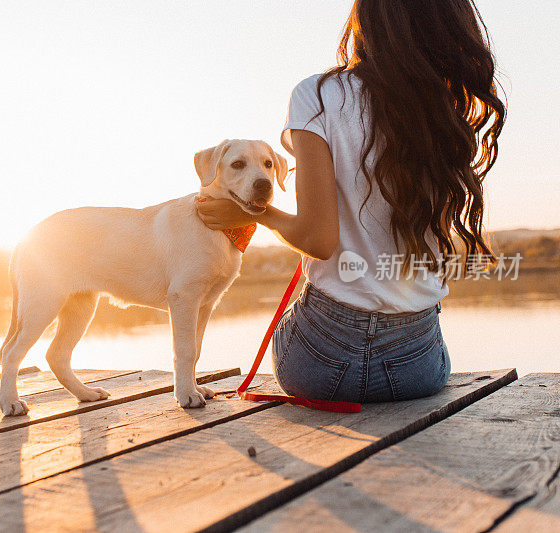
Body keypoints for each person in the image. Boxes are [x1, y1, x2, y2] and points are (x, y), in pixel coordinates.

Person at [195, 0, 506, 403]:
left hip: (319, 364)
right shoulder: (445, 108)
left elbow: (318, 240)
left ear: (370, 19)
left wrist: (258, 212)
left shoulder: (317, 96)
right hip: (417, 368)